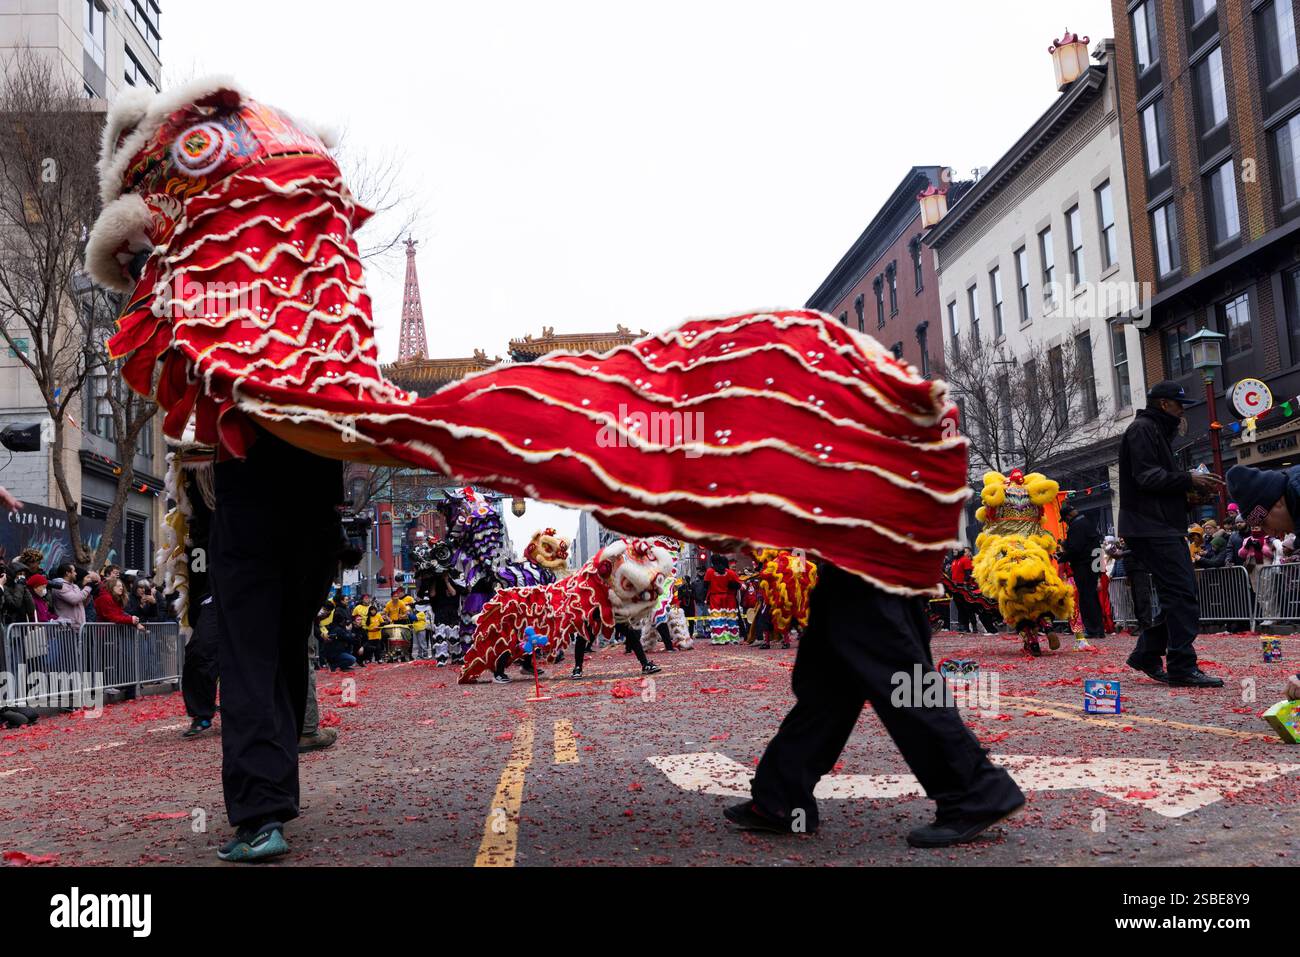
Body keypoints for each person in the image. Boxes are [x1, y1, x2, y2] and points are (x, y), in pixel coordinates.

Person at [1117, 381, 1224, 688]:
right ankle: (1181, 665)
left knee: (1178, 594)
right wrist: (1188, 479)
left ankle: (1149, 654)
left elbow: (1152, 481)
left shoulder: (1153, 431)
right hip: (1150, 526)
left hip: (1156, 525)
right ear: (1164, 405)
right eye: (1179, 406)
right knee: (1182, 593)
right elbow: (1147, 477)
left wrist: (1187, 496)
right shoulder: (1143, 430)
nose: (1182, 412)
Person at [1060, 504, 1105, 642]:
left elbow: (1076, 548)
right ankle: (1098, 629)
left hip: (1083, 565)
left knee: (1086, 598)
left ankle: (1092, 629)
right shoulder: (1087, 522)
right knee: (1092, 597)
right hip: (1092, 564)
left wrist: (1063, 556)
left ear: (1068, 516)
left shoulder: (1076, 526)